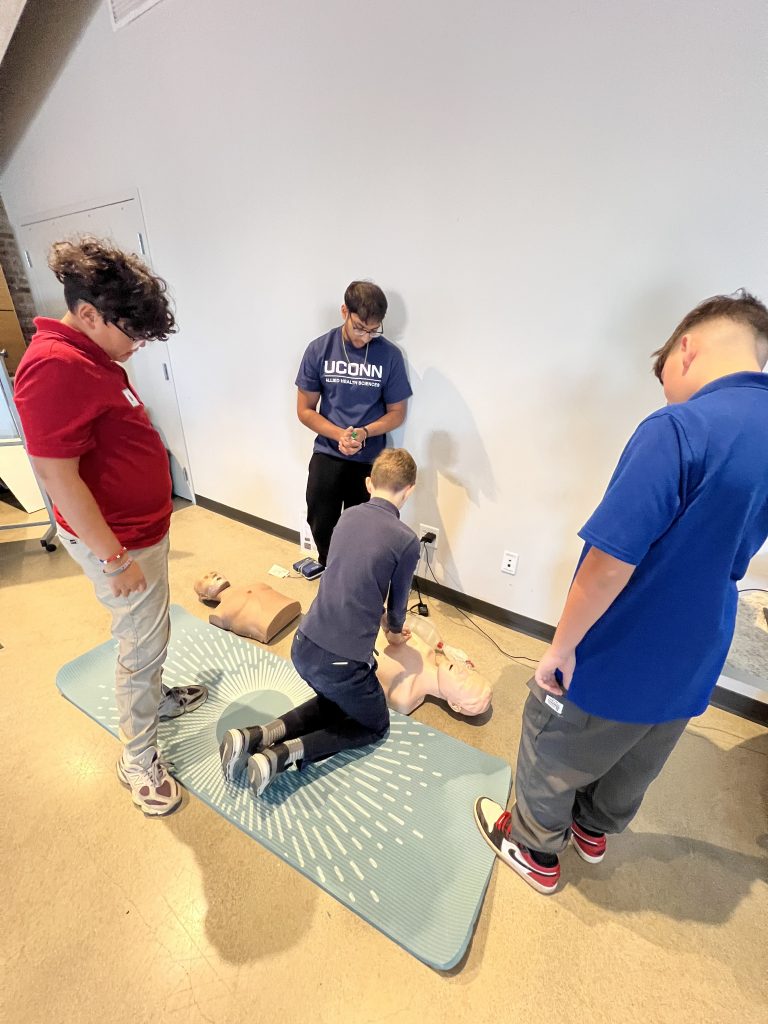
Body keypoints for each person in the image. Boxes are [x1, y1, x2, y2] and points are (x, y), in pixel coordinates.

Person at [474, 290, 768, 894]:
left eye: (665, 379)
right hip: (701, 645)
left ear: (686, 347)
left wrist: (559, 648)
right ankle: (593, 829)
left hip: (629, 638)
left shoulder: (680, 428)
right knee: (643, 749)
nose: (668, 395)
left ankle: (533, 848)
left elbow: (610, 562)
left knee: (551, 733)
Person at [14, 237, 207, 818]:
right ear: (90, 315)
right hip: (119, 542)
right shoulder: (53, 365)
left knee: (150, 632)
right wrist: (114, 557)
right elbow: (54, 474)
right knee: (139, 645)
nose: (138, 346)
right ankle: (137, 758)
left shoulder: (93, 357)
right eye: (135, 333)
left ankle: (157, 697)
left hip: (138, 530)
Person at [219, 448, 420, 796]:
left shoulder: (349, 516)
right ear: (410, 490)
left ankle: (257, 735)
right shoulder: (407, 541)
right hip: (339, 664)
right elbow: (398, 605)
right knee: (373, 724)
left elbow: (351, 574)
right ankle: (282, 757)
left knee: (336, 701)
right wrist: (394, 629)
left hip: (302, 644)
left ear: (369, 483)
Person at [295, 281, 412, 566]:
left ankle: (355, 576)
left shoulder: (390, 356)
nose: (365, 337)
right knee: (320, 520)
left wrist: (364, 432)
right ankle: (330, 566)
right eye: (360, 327)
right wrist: (339, 435)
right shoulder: (319, 350)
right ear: (345, 311)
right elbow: (305, 410)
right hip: (328, 452)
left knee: (365, 530)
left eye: (374, 330)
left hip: (371, 459)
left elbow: (397, 412)